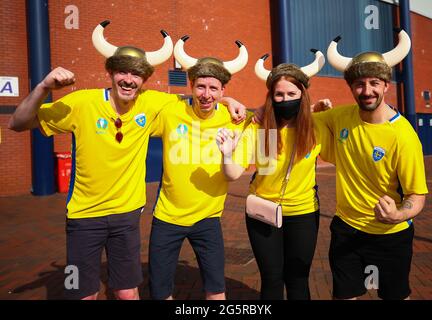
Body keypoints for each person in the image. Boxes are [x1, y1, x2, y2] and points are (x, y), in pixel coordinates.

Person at [8, 21, 245, 300]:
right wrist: (44, 86)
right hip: (85, 217)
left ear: (144, 80)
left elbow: (202, 96)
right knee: (81, 294)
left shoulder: (154, 102)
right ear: (110, 72)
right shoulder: (81, 103)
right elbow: (18, 123)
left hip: (127, 216)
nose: (129, 79)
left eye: (136, 74)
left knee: (128, 293)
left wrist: (229, 101)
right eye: (123, 71)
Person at [314, 29, 428, 300]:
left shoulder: (403, 136)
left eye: (374, 83)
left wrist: (399, 214)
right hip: (346, 230)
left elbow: (417, 196)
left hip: (389, 234)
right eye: (359, 84)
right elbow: (296, 120)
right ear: (351, 87)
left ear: (386, 86)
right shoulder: (340, 117)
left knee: (394, 296)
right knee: (344, 295)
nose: (367, 91)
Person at [216, 50, 332, 300]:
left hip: (303, 213)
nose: (285, 99)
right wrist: (226, 155)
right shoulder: (259, 127)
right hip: (263, 213)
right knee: (271, 278)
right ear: (271, 96)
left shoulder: (316, 126)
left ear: (302, 95)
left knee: (298, 279)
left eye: (292, 94)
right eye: (279, 94)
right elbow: (234, 172)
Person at [147, 35, 251, 300]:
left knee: (216, 291)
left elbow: (268, 113)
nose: (206, 95)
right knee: (160, 291)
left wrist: (232, 103)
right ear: (191, 86)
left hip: (208, 220)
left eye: (214, 89)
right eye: (201, 87)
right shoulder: (171, 111)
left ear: (223, 91)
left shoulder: (235, 119)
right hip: (167, 217)